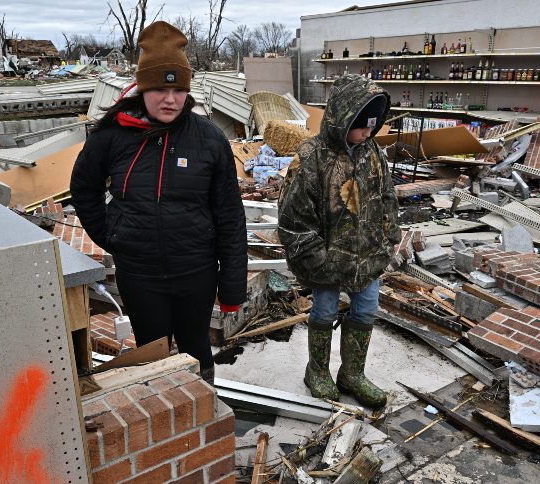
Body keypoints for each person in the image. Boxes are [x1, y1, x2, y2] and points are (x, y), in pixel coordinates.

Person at [69, 21, 247, 385]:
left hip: (195, 271)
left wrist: (232, 287)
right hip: (140, 275)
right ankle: (164, 411)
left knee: (195, 348)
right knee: (152, 350)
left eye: (180, 89)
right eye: (161, 89)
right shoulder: (113, 135)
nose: (171, 99)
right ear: (143, 88)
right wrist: (114, 235)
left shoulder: (209, 140)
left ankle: (203, 407)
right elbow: (83, 188)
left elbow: (230, 216)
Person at [277, 74, 400, 409]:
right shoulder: (312, 156)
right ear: (342, 119)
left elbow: (387, 198)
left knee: (366, 311)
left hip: (368, 258)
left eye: (373, 127)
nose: (368, 133)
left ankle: (352, 374)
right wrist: (319, 260)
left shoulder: (372, 152)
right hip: (327, 261)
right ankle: (317, 371)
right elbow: (293, 219)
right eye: (361, 126)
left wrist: (388, 240)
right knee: (325, 310)